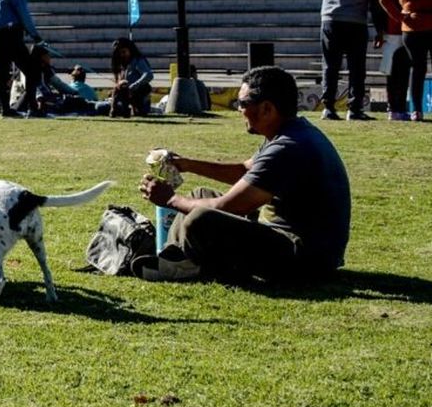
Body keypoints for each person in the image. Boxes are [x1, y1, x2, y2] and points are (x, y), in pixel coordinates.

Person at [138, 65, 351, 283]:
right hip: (305, 248)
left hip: (305, 259)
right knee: (200, 194)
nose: (239, 110)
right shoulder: (291, 132)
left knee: (202, 218)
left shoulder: (288, 147)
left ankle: (182, 265)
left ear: (267, 109)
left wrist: (170, 199)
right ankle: (177, 260)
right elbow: (246, 171)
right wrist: (187, 164)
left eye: (243, 103)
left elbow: (229, 206)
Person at [300, 0, 386, 120]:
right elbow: (376, 4)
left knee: (330, 65)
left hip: (331, 19)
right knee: (357, 68)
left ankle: (328, 107)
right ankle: (354, 109)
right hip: (356, 22)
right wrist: (380, 30)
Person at [100, 37, 154, 118]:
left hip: (139, 94)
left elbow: (149, 75)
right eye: (119, 53)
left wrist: (135, 85)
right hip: (124, 95)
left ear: (130, 50)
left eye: (124, 52)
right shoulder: (122, 64)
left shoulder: (138, 60)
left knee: (140, 112)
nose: (122, 55)